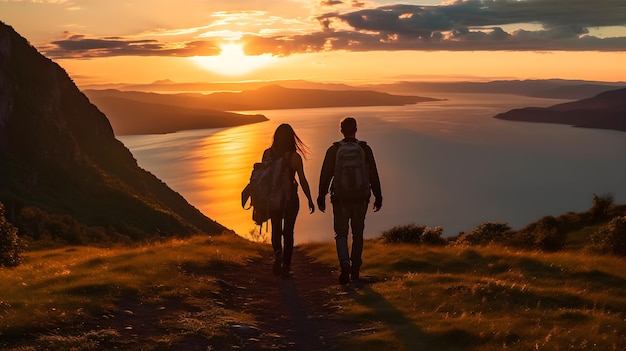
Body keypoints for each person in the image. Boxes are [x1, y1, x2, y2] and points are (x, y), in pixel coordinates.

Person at [317, 117, 382, 285]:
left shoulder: (334, 150)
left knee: (341, 234)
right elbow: (372, 173)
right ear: (356, 129)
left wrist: (321, 195)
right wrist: (378, 195)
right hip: (361, 197)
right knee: (358, 233)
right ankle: (355, 270)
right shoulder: (365, 149)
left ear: (341, 130)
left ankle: (345, 264)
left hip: (340, 198)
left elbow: (326, 174)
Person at [263, 124, 315, 277]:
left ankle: (278, 252)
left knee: (276, 229)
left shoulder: (267, 154)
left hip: (273, 198)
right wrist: (310, 199)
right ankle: (286, 266)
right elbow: (303, 180)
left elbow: (263, 177)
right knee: (288, 232)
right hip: (291, 198)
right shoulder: (295, 157)